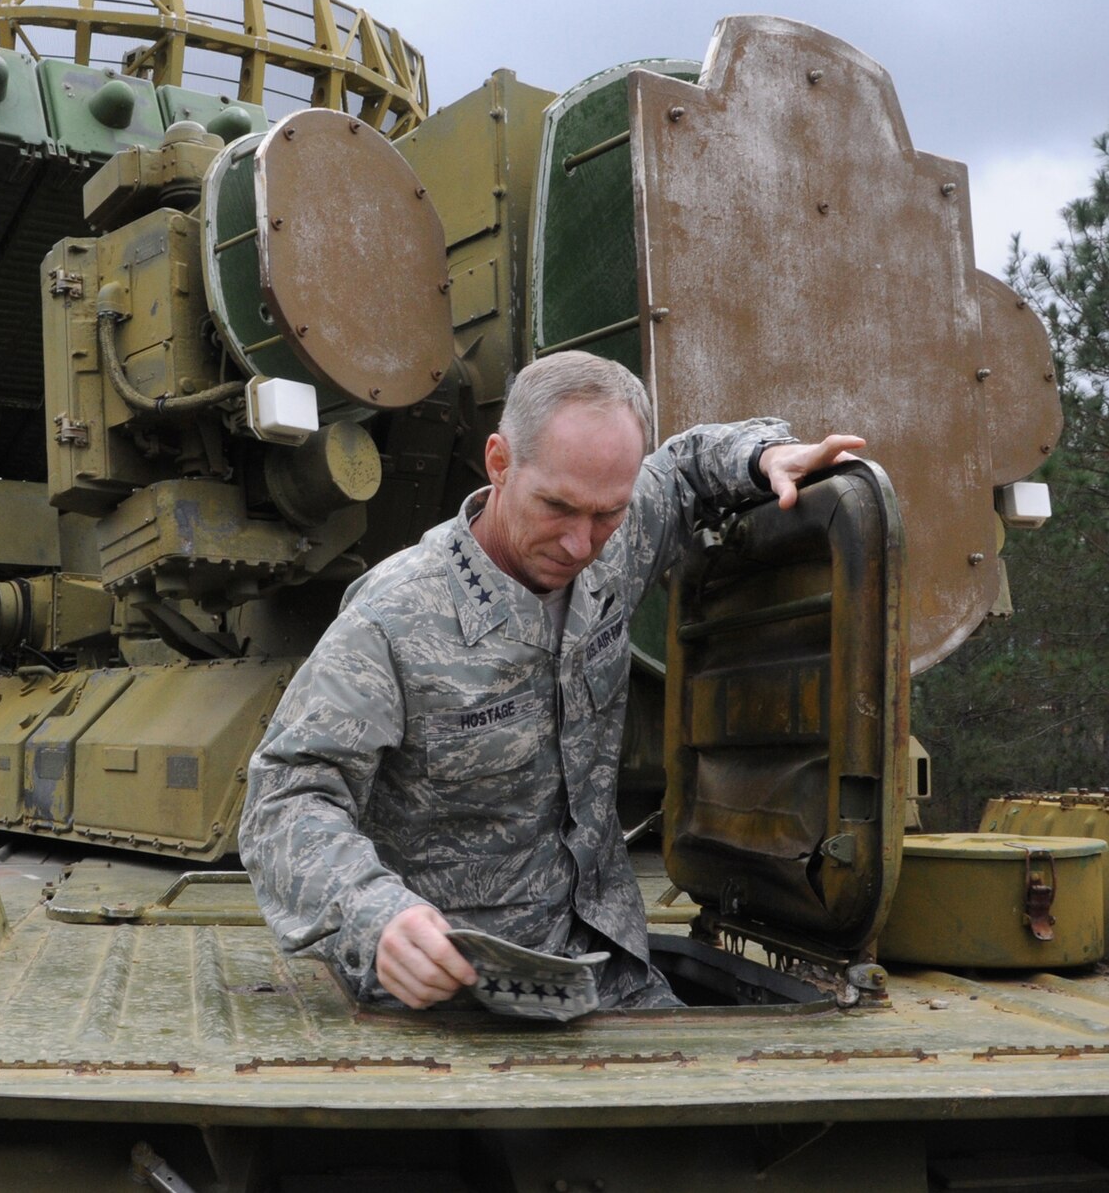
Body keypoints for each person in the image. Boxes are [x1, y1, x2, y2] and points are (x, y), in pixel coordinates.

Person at [238, 351, 865, 1011]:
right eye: (557, 507)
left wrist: (762, 456)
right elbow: (286, 798)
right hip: (458, 1001)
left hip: (615, 979)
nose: (580, 544)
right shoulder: (390, 619)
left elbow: (681, 469)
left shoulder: (610, 544)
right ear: (500, 462)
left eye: (607, 513)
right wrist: (375, 914)